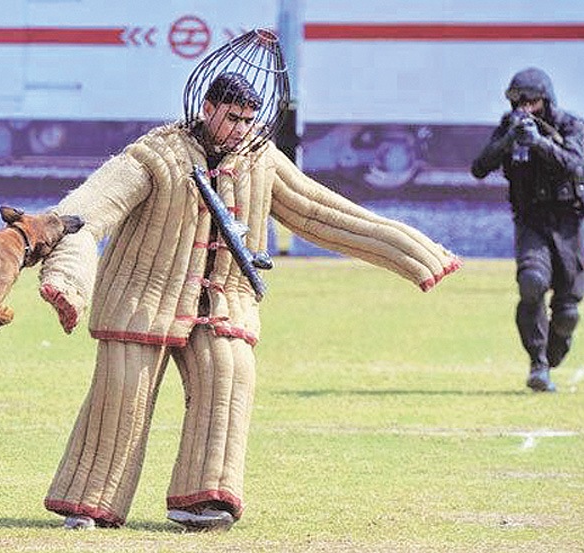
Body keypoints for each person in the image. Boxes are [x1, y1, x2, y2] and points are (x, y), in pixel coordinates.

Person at [37, 29, 460, 531]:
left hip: (223, 305)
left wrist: (415, 253)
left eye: (248, 120)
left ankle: (201, 500)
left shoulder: (263, 160)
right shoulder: (154, 155)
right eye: (232, 117)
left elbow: (324, 214)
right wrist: (68, 278)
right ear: (208, 106)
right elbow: (86, 214)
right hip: (141, 300)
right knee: (121, 396)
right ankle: (88, 503)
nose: (240, 128)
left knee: (229, 379)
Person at [471, 67, 584, 393]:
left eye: (531, 102)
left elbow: (575, 164)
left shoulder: (569, 125)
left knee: (566, 312)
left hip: (568, 223)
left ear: (545, 101)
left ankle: (552, 354)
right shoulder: (510, 128)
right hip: (531, 221)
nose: (524, 108)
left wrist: (539, 144)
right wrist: (508, 141)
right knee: (532, 283)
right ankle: (537, 363)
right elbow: (479, 168)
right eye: (518, 102)